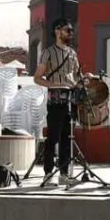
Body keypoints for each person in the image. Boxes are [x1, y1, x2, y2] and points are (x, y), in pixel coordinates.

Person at [33, 17, 81, 186]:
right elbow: (37, 78)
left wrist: (83, 80)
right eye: (67, 30)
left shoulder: (73, 53)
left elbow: (76, 76)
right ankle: (47, 175)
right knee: (52, 138)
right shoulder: (47, 53)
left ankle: (64, 174)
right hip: (55, 100)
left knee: (67, 139)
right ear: (57, 31)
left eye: (71, 30)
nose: (70, 33)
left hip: (70, 101)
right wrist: (54, 84)